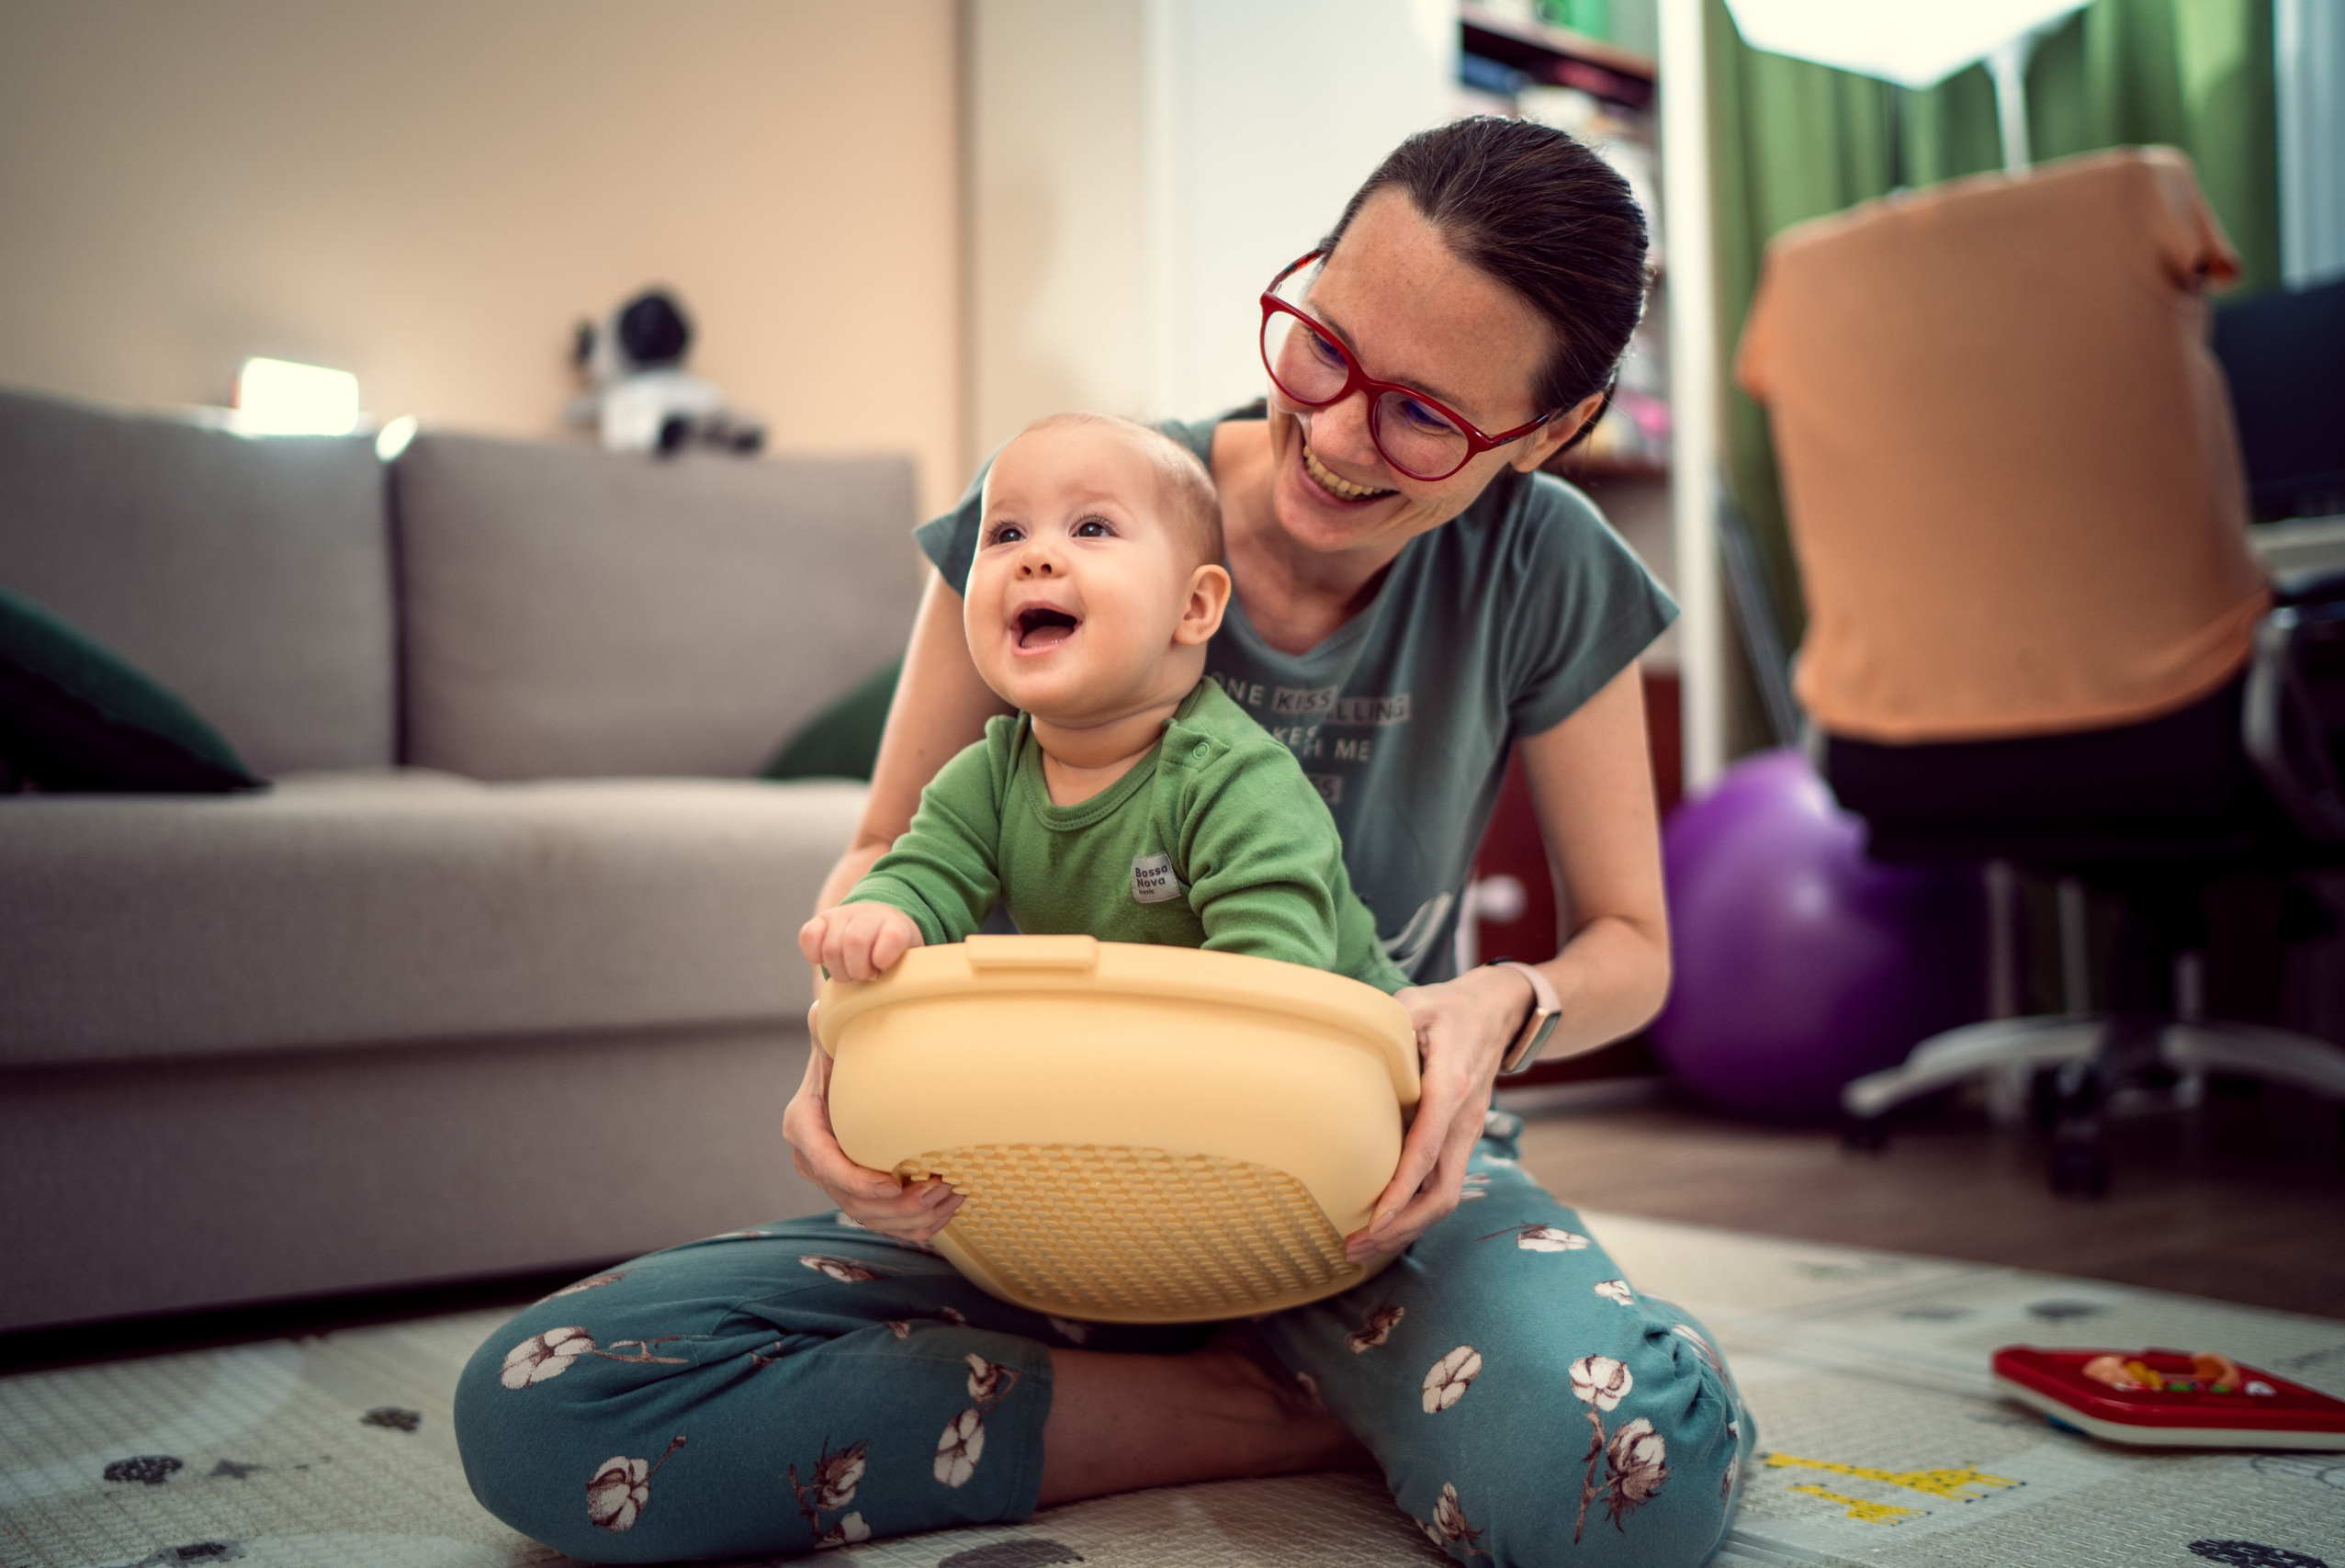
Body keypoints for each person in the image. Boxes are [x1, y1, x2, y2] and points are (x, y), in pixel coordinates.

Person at [455, 117, 1753, 1567]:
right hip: (1028, 1178)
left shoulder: (1548, 563)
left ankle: (1296, 1373)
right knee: (547, 1405)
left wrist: (1506, 1001)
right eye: (1321, 341)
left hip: (1366, 1197)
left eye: (1423, 416)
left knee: (1627, 1483)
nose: (1330, 431)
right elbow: (892, 843)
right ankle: (1263, 1411)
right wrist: (839, 1042)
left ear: (1552, 430)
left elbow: (1630, 946)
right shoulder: (1068, 519)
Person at [802, 412, 1408, 998]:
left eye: (1092, 528)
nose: (1033, 555)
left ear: (1194, 606)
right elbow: (926, 871)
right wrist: (883, 914)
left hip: (1345, 1056)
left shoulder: (1235, 783)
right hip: (1134, 1058)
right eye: (1006, 532)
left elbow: (1274, 975)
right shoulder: (989, 779)